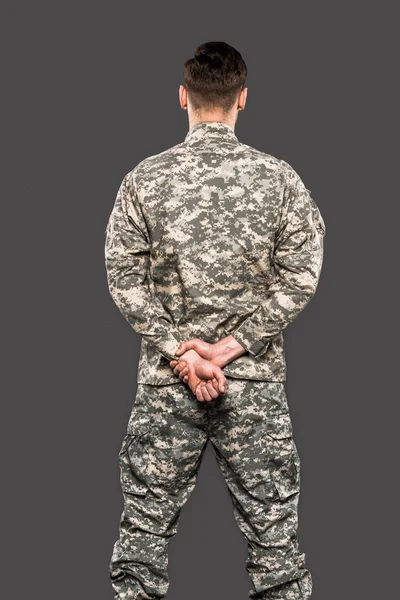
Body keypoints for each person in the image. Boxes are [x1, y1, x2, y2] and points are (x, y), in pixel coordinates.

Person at [104, 40, 326, 600]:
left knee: (141, 548)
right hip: (254, 386)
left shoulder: (142, 180)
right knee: (277, 551)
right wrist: (231, 348)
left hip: (165, 386)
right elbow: (302, 275)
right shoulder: (280, 180)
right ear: (242, 99)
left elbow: (122, 280)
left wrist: (183, 350)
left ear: (183, 97)